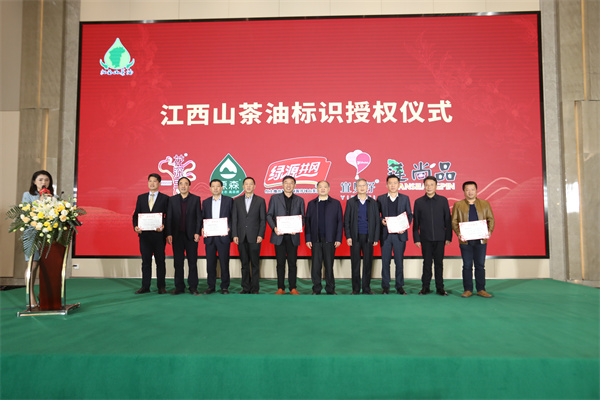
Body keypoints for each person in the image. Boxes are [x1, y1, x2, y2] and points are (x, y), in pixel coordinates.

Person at [451, 181, 495, 298]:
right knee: (467, 265)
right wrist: (458, 233)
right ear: (464, 191)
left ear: (476, 190)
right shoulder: (458, 205)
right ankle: (468, 289)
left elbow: (491, 219)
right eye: (467, 190)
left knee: (480, 265)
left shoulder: (485, 204)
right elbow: (454, 221)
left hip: (481, 240)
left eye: (472, 189)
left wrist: (489, 231)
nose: (470, 192)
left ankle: (481, 289)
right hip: (465, 241)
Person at [413, 176, 452, 296]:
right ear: (424, 186)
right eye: (427, 185)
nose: (429, 187)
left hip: (440, 238)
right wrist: (416, 238)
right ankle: (425, 287)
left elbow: (447, 219)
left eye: (431, 185)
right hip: (425, 239)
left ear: (436, 186)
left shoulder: (443, 200)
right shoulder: (419, 202)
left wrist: (448, 237)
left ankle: (440, 288)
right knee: (427, 264)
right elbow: (416, 222)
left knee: (439, 264)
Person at [266, 175, 305, 295]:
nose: (288, 185)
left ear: (294, 185)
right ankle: (280, 288)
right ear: (282, 185)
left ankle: (293, 287)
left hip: (293, 236)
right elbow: (269, 215)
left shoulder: (300, 200)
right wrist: (274, 228)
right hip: (279, 236)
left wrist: (297, 228)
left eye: (291, 183)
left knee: (293, 263)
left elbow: (303, 217)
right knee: (280, 263)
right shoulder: (274, 198)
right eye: (286, 183)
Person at [22, 170, 55, 309]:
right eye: (40, 180)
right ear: (34, 182)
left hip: (48, 237)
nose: (43, 182)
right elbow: (25, 214)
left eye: (46, 180)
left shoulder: (54, 196)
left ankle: (45, 297)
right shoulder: (28, 195)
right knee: (33, 265)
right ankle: (30, 298)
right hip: (32, 234)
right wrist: (40, 202)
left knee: (47, 267)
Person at [132, 173, 169, 294]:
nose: (152, 183)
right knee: (146, 262)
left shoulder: (165, 198)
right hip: (145, 236)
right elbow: (136, 215)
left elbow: (168, 216)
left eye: (154, 181)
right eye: (150, 181)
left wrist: (163, 226)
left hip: (159, 236)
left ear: (159, 183)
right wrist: (135, 227)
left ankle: (161, 287)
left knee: (160, 262)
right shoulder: (141, 198)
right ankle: (145, 286)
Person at [305, 181, 343, 295]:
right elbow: (308, 222)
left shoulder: (335, 203)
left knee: (329, 265)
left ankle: (330, 289)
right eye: (320, 187)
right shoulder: (311, 204)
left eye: (325, 187)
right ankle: (316, 289)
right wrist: (308, 238)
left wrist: (338, 238)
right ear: (317, 189)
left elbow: (340, 222)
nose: (322, 189)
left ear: (329, 189)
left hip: (330, 239)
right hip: (315, 239)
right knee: (316, 266)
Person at [165, 177, 202, 295]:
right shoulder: (172, 200)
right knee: (178, 263)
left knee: (192, 262)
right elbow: (169, 218)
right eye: (181, 184)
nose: (183, 186)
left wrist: (197, 232)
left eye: (186, 184)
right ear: (178, 186)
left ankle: (193, 287)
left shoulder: (196, 199)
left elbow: (199, 217)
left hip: (191, 236)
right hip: (177, 236)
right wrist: (169, 233)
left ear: (189, 186)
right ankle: (179, 287)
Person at [344, 178, 380, 295]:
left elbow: (377, 221)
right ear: (356, 188)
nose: (362, 187)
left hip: (369, 237)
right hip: (355, 237)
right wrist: (348, 236)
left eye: (364, 185)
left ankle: (366, 288)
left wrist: (376, 237)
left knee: (368, 263)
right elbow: (346, 221)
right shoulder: (351, 202)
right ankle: (355, 288)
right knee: (355, 263)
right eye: (359, 185)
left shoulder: (373, 202)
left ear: (368, 187)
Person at [377, 174, 413, 295]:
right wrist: (381, 221)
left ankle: (399, 286)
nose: (392, 185)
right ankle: (385, 286)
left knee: (399, 261)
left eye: (395, 183)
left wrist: (404, 226)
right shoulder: (381, 198)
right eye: (390, 183)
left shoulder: (405, 198)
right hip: (386, 235)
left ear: (399, 185)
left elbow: (409, 214)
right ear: (386, 185)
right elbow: (376, 215)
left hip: (399, 235)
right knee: (385, 262)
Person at [232, 177, 266, 294]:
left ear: (254, 186)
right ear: (243, 186)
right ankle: (245, 287)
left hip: (255, 237)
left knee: (255, 264)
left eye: (251, 184)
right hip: (241, 236)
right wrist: (234, 234)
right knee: (244, 264)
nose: (248, 186)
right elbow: (234, 219)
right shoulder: (236, 201)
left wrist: (260, 234)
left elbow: (262, 220)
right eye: (246, 184)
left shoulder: (260, 201)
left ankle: (255, 288)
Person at [202, 179, 233, 294]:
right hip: (210, 237)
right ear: (210, 188)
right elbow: (202, 218)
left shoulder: (229, 201)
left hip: (223, 236)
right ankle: (211, 286)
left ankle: (224, 286)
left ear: (222, 188)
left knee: (224, 262)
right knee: (210, 263)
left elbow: (233, 217)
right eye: (213, 186)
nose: (215, 188)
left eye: (218, 186)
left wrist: (229, 227)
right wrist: (203, 227)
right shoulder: (205, 202)